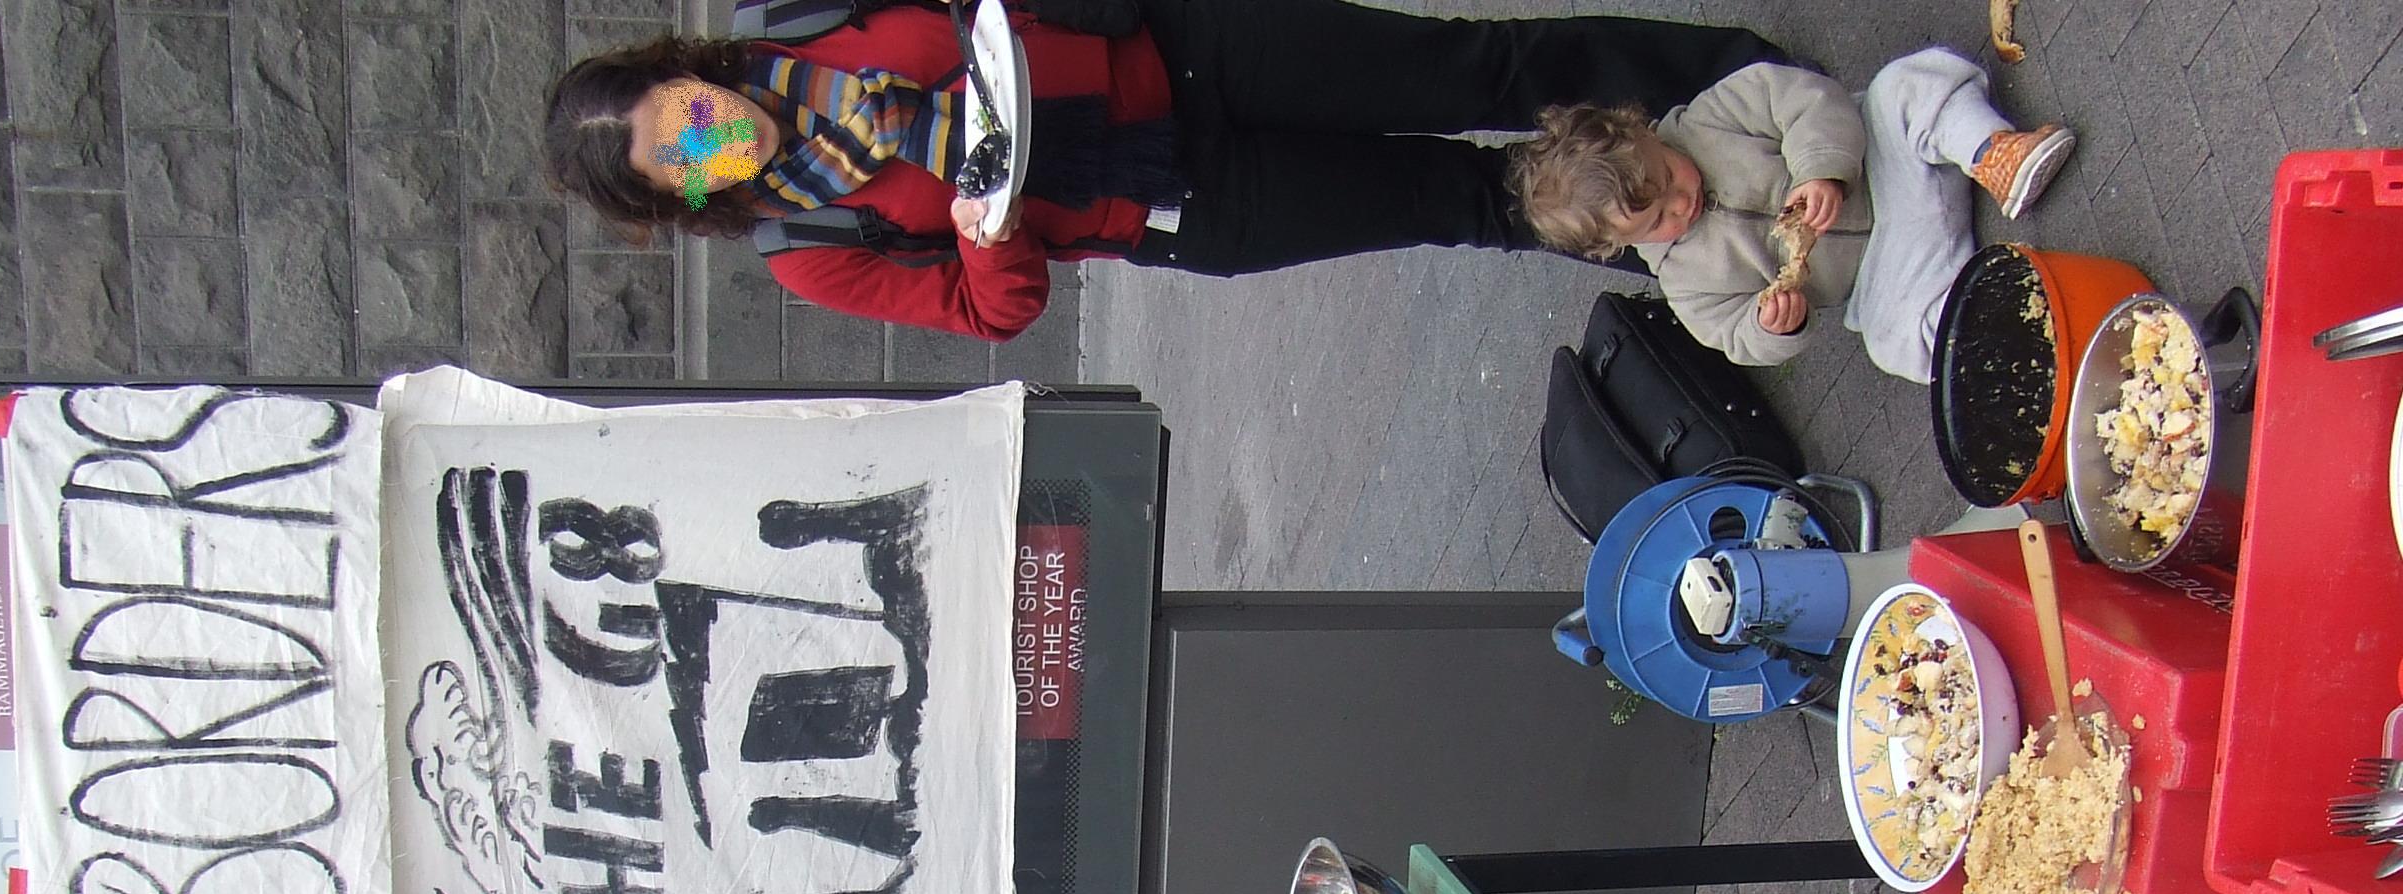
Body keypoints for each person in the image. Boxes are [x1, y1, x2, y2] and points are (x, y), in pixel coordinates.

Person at [540, 1, 1796, 341]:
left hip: (1184, 45)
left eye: (682, 110)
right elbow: (994, 311)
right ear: (685, 201)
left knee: (1472, 71)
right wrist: (982, 223)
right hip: (1180, 203)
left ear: (685, 70)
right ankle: (1713, 249)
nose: (709, 136)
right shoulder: (810, 252)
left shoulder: (800, 14)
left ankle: (1725, 90)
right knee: (1466, 201)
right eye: (678, 161)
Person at [1509, 48, 2074, 379]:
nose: (1680, 204)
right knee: (1890, 343)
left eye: (1669, 177)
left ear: (1643, 130)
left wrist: (1818, 169)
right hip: (1886, 267)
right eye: (1657, 220)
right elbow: (1734, 337)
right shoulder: (1685, 284)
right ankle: (2001, 327)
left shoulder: (1712, 117)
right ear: (1616, 246)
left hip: (1884, 169)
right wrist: (1773, 325)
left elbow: (1805, 98)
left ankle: (1991, 153)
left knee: (1902, 88)